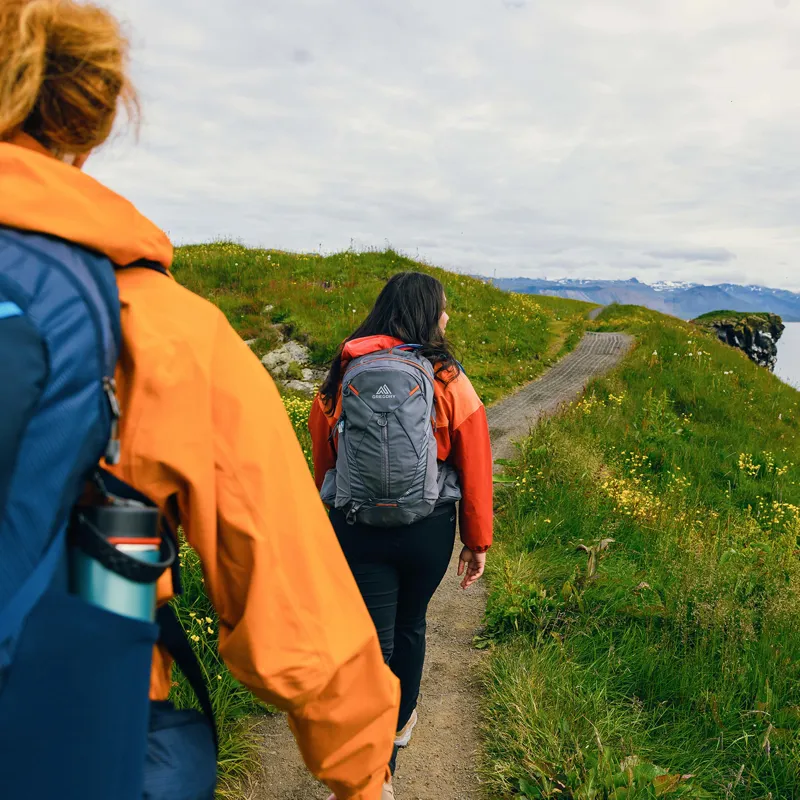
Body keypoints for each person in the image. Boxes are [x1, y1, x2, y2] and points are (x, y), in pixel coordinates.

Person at [0, 1, 398, 798]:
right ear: (81, 105)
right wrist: (362, 772)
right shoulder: (156, 329)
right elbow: (298, 609)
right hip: (56, 744)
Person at [309, 272, 494, 795]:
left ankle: (370, 771)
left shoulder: (345, 369)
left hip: (358, 527)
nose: (447, 317)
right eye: (443, 308)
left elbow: (325, 455)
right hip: (427, 529)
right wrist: (476, 540)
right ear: (425, 314)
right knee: (411, 626)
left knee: (370, 642)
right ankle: (399, 725)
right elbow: (475, 458)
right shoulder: (447, 377)